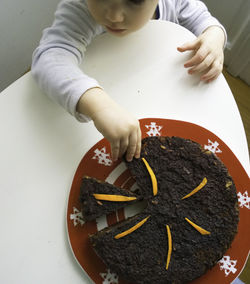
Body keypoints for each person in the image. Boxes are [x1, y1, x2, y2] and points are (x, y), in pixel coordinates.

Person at [31, 0, 226, 162]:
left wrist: (214, 34)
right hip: (100, 121)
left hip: (166, 106)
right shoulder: (80, 9)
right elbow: (49, 57)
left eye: (135, 0)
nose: (114, 16)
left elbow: (203, 20)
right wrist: (99, 106)